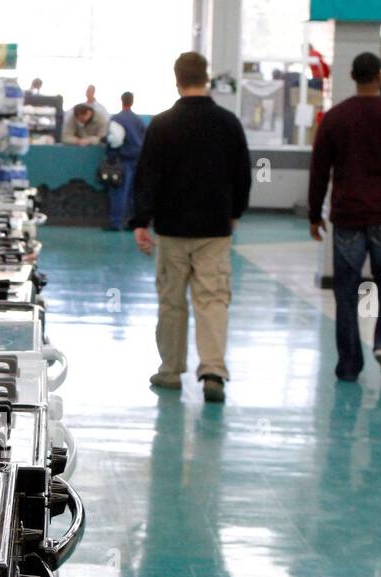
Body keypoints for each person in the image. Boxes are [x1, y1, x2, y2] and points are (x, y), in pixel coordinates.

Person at [131, 52, 251, 404]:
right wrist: (235, 213)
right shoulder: (228, 123)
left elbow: (146, 176)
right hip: (215, 228)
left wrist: (141, 221)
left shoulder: (163, 124)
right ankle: (212, 371)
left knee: (171, 300)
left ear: (177, 80)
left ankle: (170, 369)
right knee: (212, 298)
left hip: (171, 229)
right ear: (207, 78)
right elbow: (243, 174)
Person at [308, 51, 381, 382]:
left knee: (346, 290)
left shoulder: (334, 117)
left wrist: (315, 215)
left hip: (347, 213)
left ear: (353, 76)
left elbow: (319, 171)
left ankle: (348, 365)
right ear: (380, 76)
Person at [106, 91, 147, 231]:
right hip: (139, 159)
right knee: (134, 193)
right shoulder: (139, 120)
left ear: (121, 100)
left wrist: (111, 156)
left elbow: (116, 139)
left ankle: (116, 223)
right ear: (132, 101)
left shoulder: (117, 119)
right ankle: (134, 222)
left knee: (119, 192)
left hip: (123, 160)